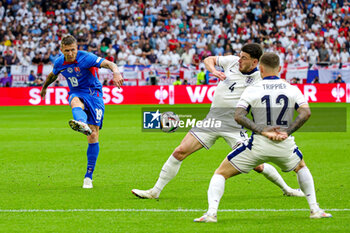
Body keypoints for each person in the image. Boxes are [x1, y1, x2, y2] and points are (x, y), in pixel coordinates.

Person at [132, 44, 304, 199]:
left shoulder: (261, 77)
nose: (239, 60)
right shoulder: (231, 62)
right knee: (180, 151)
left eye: (244, 58)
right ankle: (155, 191)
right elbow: (209, 59)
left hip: (236, 126)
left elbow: (278, 89)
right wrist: (213, 70)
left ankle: (286, 188)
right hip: (212, 121)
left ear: (254, 62)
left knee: (257, 166)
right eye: (239, 55)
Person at [194, 52, 332, 223]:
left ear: (260, 69)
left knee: (221, 173)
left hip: (258, 146)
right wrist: (287, 132)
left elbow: (239, 116)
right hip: (284, 145)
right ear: (280, 68)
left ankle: (211, 214)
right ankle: (315, 209)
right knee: (301, 167)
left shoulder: (252, 89)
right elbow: (306, 112)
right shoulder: (291, 88)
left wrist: (263, 131)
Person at [40, 35, 124, 189]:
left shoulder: (87, 58)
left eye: (73, 50)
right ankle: (81, 122)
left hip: (94, 95)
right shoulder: (60, 62)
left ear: (77, 48)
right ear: (61, 50)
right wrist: (45, 87)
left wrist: (116, 72)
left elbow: (109, 63)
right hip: (77, 92)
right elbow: (53, 74)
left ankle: (88, 176)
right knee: (74, 100)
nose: (70, 53)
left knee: (93, 136)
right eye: (67, 51)